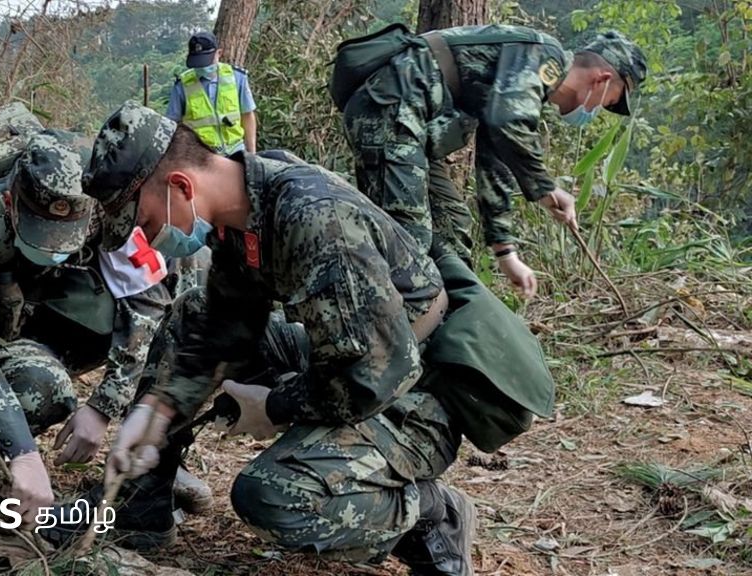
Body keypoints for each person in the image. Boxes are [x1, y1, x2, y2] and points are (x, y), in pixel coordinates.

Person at [40, 102, 555, 576]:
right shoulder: (243, 212)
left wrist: (275, 405)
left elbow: (369, 378)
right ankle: (141, 505)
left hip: (419, 388)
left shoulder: (312, 217)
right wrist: (157, 411)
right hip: (354, 353)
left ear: (180, 186)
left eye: (144, 220)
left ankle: (430, 512)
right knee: (189, 315)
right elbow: (223, 325)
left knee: (275, 497)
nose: (148, 239)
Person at [0, 130, 208, 526]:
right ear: (12, 203)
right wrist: (22, 451)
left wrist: (103, 408)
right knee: (40, 387)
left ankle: (150, 467)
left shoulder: (104, 200)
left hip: (65, 312)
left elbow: (146, 304)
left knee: (190, 302)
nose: (54, 247)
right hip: (2, 327)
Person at [336, 27, 646, 298]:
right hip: (389, 112)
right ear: (602, 79)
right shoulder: (543, 55)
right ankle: (376, 340)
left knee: (452, 228)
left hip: (409, 126)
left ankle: (449, 331)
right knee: (408, 243)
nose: (599, 109)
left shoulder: (527, 84)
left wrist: (505, 252)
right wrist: (546, 188)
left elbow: (495, 156)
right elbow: (506, 122)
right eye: (610, 101)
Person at [166, 31, 257, 155]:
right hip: (200, 156)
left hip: (235, 151)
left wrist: (252, 153)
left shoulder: (237, 77)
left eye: (206, 61)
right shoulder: (182, 85)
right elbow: (172, 124)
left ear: (219, 53)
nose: (202, 67)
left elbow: (247, 115)